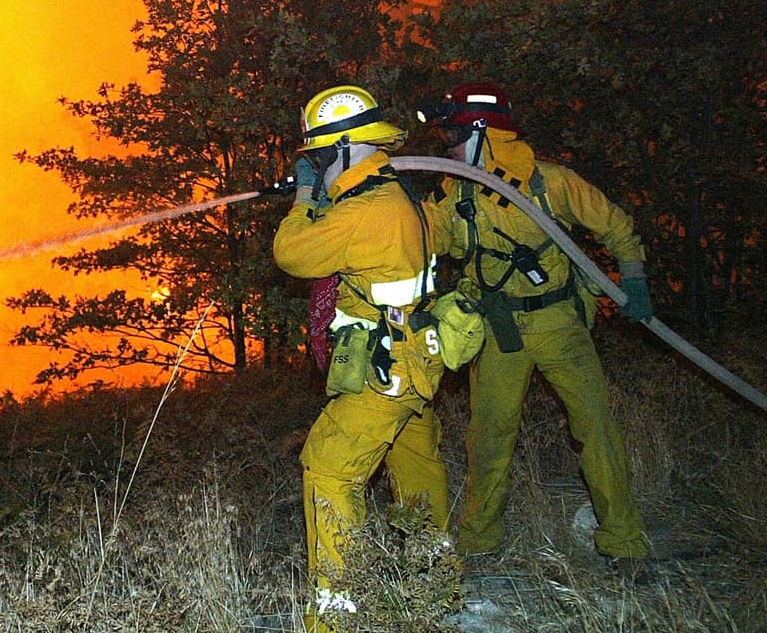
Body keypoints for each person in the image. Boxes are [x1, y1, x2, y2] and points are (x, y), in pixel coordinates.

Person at [420, 81, 653, 572]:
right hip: (499, 327)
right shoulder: (453, 193)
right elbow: (425, 241)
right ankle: (479, 541)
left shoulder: (550, 182)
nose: (447, 147)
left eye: (453, 136)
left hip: (558, 323)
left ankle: (624, 542)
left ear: (482, 132)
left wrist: (632, 277)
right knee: (489, 437)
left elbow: (614, 223)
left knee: (596, 429)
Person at [273, 85, 449, 630]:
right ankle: (434, 582)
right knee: (415, 467)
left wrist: (305, 197)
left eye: (321, 157)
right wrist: (324, 193)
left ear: (345, 147)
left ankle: (337, 616)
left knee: (328, 466)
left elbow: (292, 252)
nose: (318, 167)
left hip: (385, 367)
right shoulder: (399, 194)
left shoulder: (368, 210)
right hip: (417, 359)